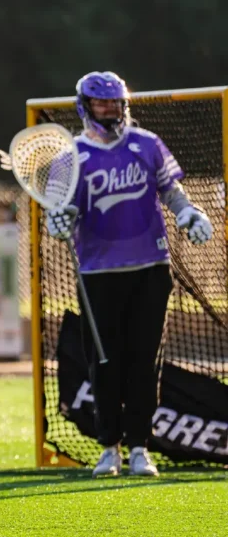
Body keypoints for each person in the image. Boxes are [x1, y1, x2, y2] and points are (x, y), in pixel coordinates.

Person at [45, 71, 213, 478]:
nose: (111, 110)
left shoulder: (147, 144)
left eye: (116, 103)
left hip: (150, 268)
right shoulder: (70, 158)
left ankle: (139, 448)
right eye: (103, 104)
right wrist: (59, 222)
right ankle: (109, 448)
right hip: (98, 273)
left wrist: (188, 212)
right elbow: (56, 215)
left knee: (144, 361)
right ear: (86, 107)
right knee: (104, 361)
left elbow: (169, 189)